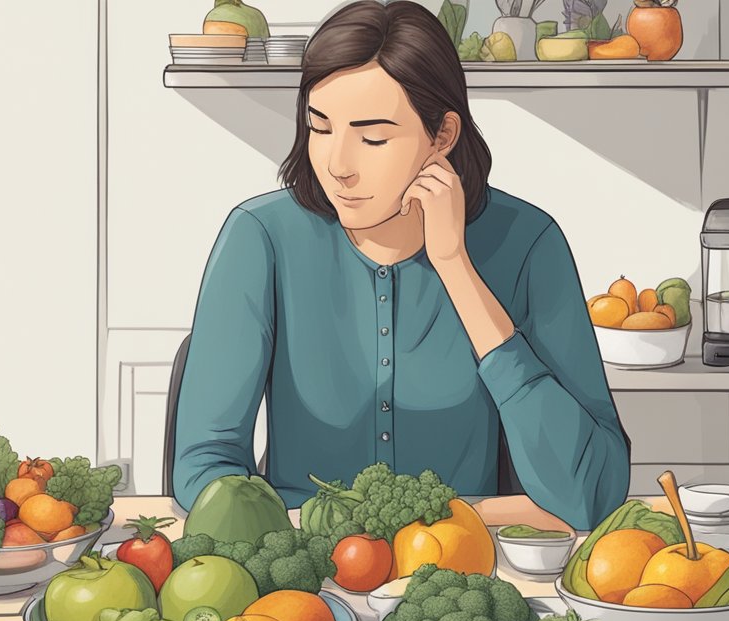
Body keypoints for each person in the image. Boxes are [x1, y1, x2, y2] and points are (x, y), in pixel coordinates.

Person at [172, 0, 630, 532]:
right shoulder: (261, 238)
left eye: (373, 137)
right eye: (320, 128)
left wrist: (455, 265)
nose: (338, 165)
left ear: (442, 135)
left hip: (465, 572)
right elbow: (205, 467)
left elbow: (593, 490)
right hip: (303, 569)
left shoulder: (528, 243)